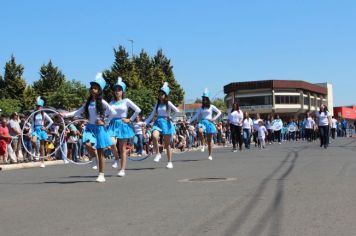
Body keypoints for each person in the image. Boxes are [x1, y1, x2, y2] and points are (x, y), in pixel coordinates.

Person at [61, 73, 116, 182]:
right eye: (92, 88)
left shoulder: (102, 102)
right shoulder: (88, 103)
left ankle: (101, 174)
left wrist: (104, 121)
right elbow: (77, 112)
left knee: (100, 151)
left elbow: (113, 112)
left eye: (95, 88)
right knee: (87, 144)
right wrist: (65, 114)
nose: (93, 90)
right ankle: (94, 158)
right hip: (90, 128)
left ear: (99, 90)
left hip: (100, 128)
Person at [107, 77, 141, 177]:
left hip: (123, 124)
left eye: (119, 89)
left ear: (122, 91)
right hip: (113, 124)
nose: (117, 91)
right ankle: (116, 158)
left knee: (122, 148)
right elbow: (106, 113)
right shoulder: (111, 102)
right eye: (116, 89)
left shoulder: (126, 100)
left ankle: (122, 169)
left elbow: (138, 110)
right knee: (111, 142)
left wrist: (130, 119)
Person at [145, 82, 179, 169]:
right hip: (158, 122)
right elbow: (152, 114)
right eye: (160, 94)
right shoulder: (157, 104)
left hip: (166, 123)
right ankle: (158, 153)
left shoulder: (169, 103)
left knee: (167, 145)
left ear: (165, 95)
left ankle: (169, 162)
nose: (160, 95)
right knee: (154, 136)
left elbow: (177, 111)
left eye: (162, 94)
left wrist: (171, 117)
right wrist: (145, 122)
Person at [190, 88, 222, 160]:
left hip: (209, 123)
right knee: (200, 131)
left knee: (209, 140)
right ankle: (203, 143)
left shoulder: (211, 106)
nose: (203, 100)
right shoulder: (201, 108)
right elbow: (196, 115)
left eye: (204, 98)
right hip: (202, 122)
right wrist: (190, 121)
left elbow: (219, 112)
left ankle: (210, 155)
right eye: (203, 98)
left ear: (207, 99)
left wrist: (214, 119)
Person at [30, 97, 54, 168]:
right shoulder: (34, 114)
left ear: (42, 107)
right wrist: (31, 132)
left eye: (39, 106)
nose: (38, 107)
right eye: (37, 106)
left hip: (42, 130)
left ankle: (42, 162)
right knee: (33, 141)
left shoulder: (44, 114)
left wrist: (46, 127)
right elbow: (32, 124)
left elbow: (51, 121)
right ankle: (37, 152)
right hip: (35, 129)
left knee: (42, 147)